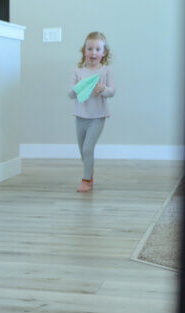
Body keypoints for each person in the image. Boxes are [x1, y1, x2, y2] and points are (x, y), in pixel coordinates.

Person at [70, 31, 115, 193]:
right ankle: (89, 172)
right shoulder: (78, 72)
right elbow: (70, 94)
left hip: (98, 116)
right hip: (80, 116)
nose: (93, 52)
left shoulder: (105, 71)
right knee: (82, 150)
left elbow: (112, 91)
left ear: (104, 53)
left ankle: (86, 180)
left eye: (98, 49)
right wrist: (79, 87)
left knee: (88, 148)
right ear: (84, 51)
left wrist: (103, 89)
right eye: (90, 49)